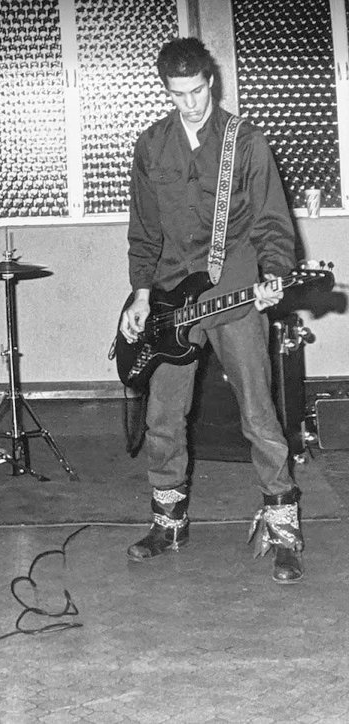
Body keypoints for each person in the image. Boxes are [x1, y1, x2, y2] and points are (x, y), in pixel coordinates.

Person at [119, 38, 303, 584]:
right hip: (174, 300)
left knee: (258, 413)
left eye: (197, 91)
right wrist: (142, 292)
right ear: (166, 91)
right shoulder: (151, 145)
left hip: (235, 292)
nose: (190, 104)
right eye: (178, 95)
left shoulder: (245, 142)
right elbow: (145, 229)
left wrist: (273, 275)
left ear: (211, 81)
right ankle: (169, 523)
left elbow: (271, 219)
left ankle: (283, 529)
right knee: (162, 416)